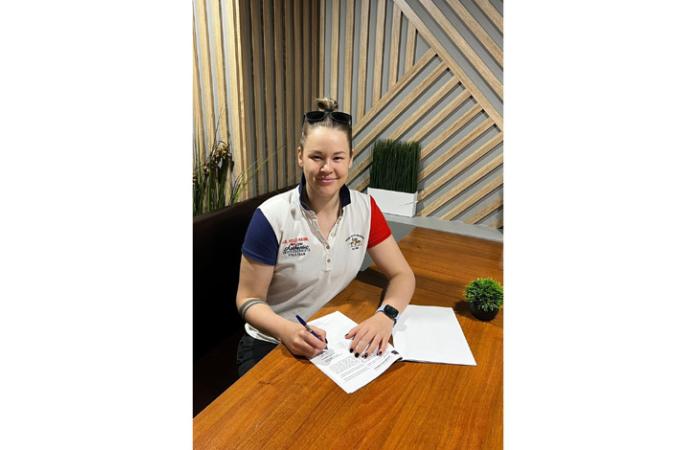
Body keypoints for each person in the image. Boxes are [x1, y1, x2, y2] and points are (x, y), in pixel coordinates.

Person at [235, 97, 415, 377]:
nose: (327, 168)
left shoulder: (366, 209)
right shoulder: (271, 216)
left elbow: (402, 275)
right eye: (316, 157)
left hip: (333, 342)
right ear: (300, 156)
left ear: (351, 158)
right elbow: (248, 300)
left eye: (337, 158)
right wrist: (286, 330)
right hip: (271, 343)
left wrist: (386, 317)